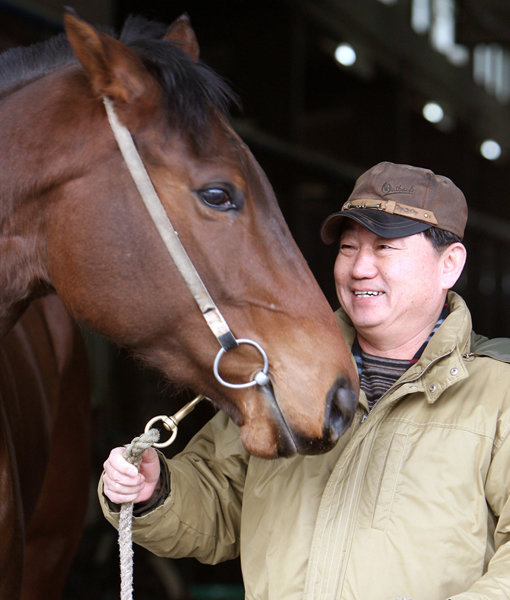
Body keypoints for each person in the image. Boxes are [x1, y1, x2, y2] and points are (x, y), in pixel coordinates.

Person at [100, 161, 510, 599]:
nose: (359, 268)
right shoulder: (280, 374)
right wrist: (154, 491)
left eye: (385, 247)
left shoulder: (497, 391)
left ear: (450, 264)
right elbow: (220, 502)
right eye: (349, 247)